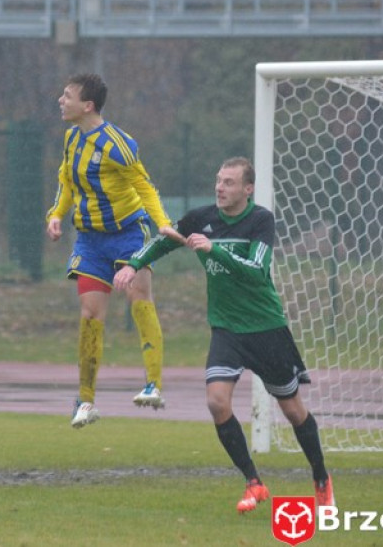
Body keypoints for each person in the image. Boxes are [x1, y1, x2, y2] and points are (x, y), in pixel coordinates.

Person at [114, 157, 334, 513]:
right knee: (217, 402)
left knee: (293, 411)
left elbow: (257, 272)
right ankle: (254, 482)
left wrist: (214, 249)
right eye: (218, 180)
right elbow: (164, 240)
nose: (220, 187)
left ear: (247, 189)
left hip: (266, 329)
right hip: (227, 330)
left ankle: (321, 477)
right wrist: (133, 264)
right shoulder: (202, 218)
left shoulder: (260, 220)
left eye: (229, 182)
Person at [45, 73, 180, 428]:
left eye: (67, 95)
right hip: (90, 239)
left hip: (127, 233)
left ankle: (153, 384)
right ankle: (86, 402)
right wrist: (57, 214)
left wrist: (162, 222)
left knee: (138, 295)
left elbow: (144, 185)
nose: (61, 100)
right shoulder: (72, 137)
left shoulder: (118, 144)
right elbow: (66, 180)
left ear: (87, 105)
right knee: (90, 315)